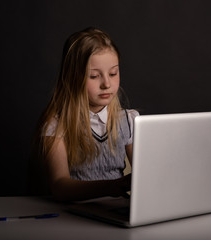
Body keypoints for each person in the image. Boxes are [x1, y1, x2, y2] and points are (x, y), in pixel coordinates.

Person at [29, 27, 139, 202]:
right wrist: (111, 186)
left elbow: (145, 175)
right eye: (94, 76)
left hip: (117, 211)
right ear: (73, 78)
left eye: (113, 73)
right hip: (74, 213)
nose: (107, 84)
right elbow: (60, 185)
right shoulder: (56, 124)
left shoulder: (129, 120)